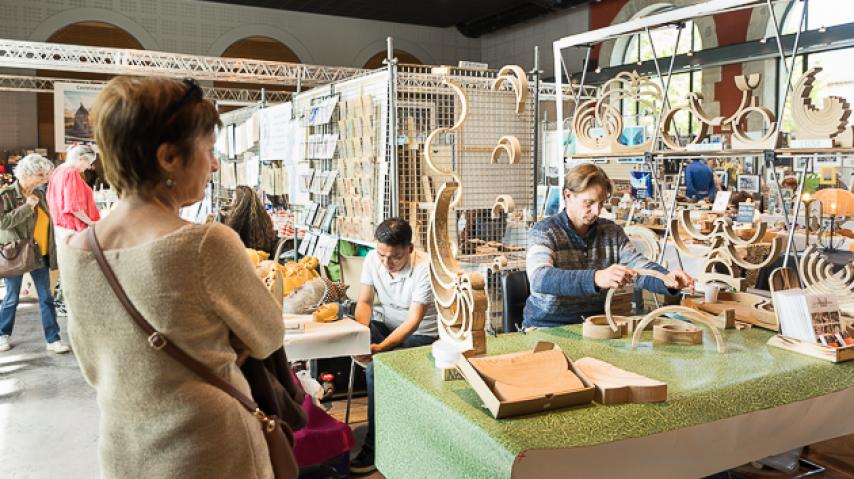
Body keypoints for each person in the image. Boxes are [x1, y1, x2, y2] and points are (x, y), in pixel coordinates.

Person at [58, 76, 288, 478]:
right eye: (209, 150)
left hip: (124, 449)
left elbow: (94, 366)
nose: (214, 164)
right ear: (168, 157)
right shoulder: (203, 244)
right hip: (209, 449)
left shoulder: (78, 251)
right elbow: (268, 335)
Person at [523, 163, 694, 328]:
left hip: (597, 325)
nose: (597, 212)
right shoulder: (544, 231)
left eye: (601, 203)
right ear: (568, 195)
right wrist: (597, 278)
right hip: (547, 326)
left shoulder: (612, 232)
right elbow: (540, 278)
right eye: (588, 203)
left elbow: (640, 267)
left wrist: (668, 280)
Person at [350, 218, 438, 475]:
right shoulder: (372, 260)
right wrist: (360, 336)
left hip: (421, 337)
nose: (387, 263)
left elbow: (413, 321)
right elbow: (364, 302)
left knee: (376, 369)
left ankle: (373, 446)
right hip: (387, 326)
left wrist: (379, 348)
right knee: (346, 325)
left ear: (409, 249)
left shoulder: (425, 268)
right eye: (381, 255)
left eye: (395, 258)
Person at [0, 154, 69, 353]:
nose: (44, 178)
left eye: (46, 174)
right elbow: (3, 222)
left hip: (41, 253)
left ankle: (53, 339)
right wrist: (26, 207)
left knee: (46, 298)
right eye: (40, 174)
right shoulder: (7, 195)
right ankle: (2, 335)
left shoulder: (40, 194)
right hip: (17, 254)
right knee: (11, 297)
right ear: (26, 174)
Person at [47, 144, 101, 246]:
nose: (89, 166)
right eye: (89, 162)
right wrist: (90, 222)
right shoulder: (71, 173)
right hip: (74, 229)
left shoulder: (59, 169)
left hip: (61, 226)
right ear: (81, 159)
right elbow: (74, 207)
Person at [224, 185, 277, 255]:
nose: (231, 204)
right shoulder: (264, 218)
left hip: (243, 260)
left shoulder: (237, 221)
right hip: (264, 258)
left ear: (238, 203)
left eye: (233, 201)